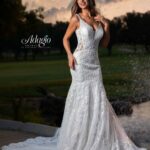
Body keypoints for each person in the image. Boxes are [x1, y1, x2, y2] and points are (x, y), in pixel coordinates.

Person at [1, 0, 147, 150]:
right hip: (80, 62)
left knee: (97, 97)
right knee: (82, 96)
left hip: (95, 65)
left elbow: (103, 44)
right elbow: (65, 39)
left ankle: (95, 135)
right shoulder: (76, 19)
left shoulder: (98, 18)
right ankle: (79, 137)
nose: (82, 1)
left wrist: (107, 27)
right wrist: (70, 55)